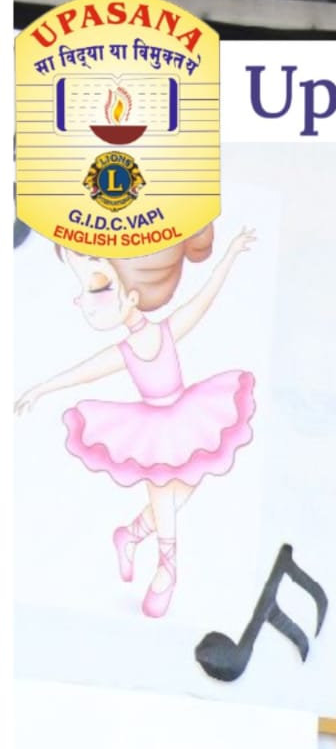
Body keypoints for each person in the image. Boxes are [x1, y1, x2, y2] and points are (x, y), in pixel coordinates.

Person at [14, 225, 257, 618]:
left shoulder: (167, 330)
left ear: (131, 295)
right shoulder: (124, 351)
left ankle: (130, 535)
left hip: (186, 415)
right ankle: (167, 569)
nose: (80, 300)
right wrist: (41, 388)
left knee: (186, 485)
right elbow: (83, 372)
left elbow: (205, 296)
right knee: (163, 486)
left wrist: (230, 252)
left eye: (96, 287)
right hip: (152, 431)